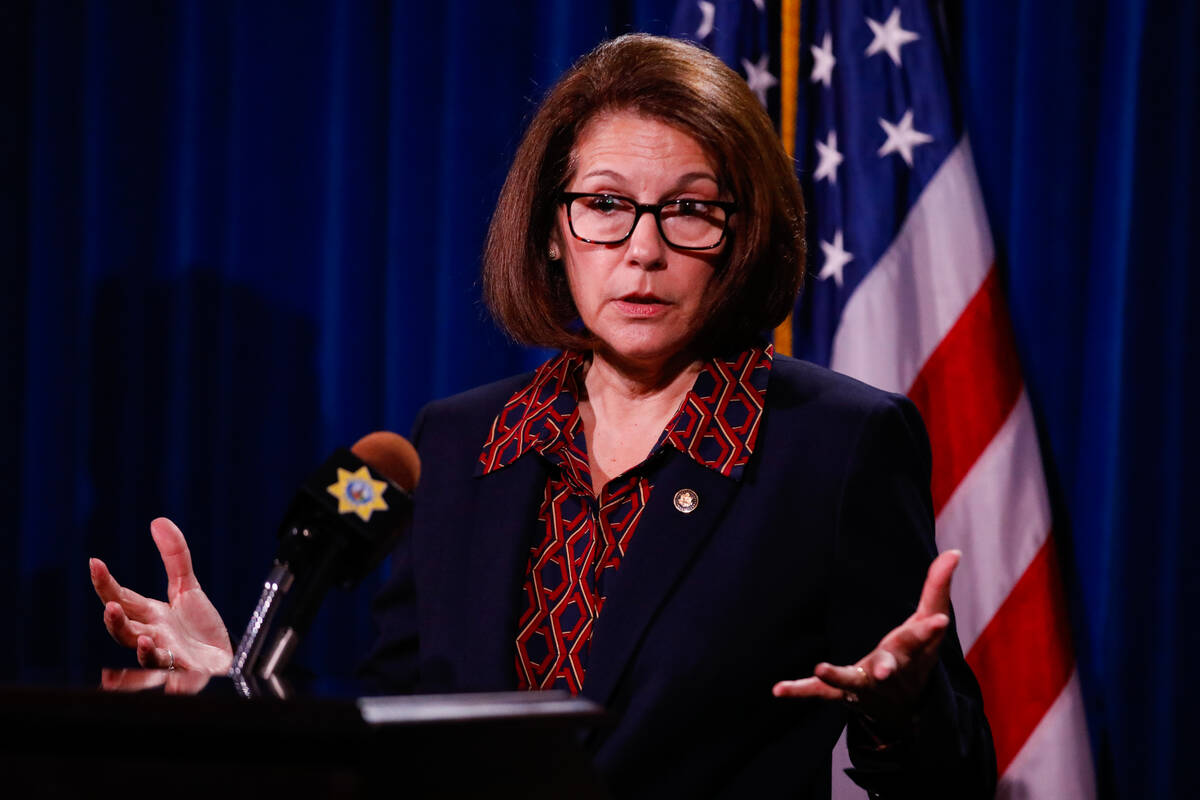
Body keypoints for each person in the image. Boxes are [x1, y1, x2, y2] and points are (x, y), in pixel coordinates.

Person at [90, 33, 995, 798]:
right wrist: (234, 687)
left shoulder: (832, 446)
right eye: (604, 205)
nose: (642, 250)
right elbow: (392, 746)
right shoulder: (461, 443)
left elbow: (954, 776)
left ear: (744, 233)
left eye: (688, 210)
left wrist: (897, 710)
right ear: (552, 233)